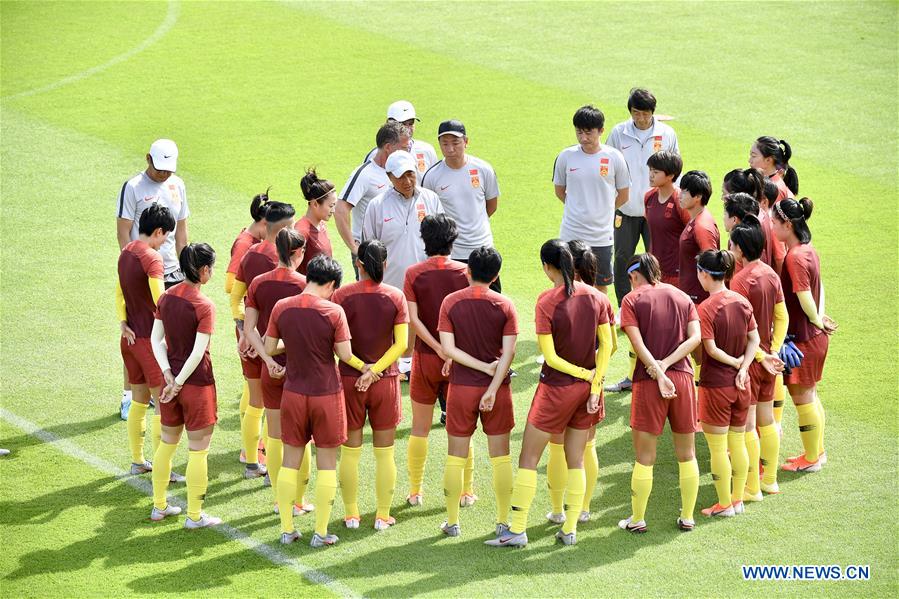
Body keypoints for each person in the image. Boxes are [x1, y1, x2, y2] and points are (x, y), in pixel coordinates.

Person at [487, 240, 612, 547]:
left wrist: (584, 375)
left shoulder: (546, 301)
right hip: (588, 391)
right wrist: (594, 383)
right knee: (576, 460)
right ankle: (570, 528)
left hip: (556, 389)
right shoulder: (597, 297)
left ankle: (517, 529)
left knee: (529, 457)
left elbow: (552, 358)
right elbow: (608, 345)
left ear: (547, 267)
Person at [264, 255, 367, 547]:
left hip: (293, 394)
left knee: (290, 462)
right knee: (327, 465)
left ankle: (287, 529)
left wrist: (292, 342)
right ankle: (320, 532)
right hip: (326, 395)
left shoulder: (282, 307)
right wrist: (366, 368)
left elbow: (270, 347)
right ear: (332, 284)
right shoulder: (334, 312)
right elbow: (345, 354)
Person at [615, 253, 701, 533]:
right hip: (683, 379)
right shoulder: (682, 297)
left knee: (644, 456)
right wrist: (667, 364)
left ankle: (638, 519)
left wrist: (658, 371)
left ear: (633, 276)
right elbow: (695, 338)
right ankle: (687, 517)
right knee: (687, 454)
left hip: (648, 381)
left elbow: (637, 343)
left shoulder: (631, 300)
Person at [437, 247, 518, 538]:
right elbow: (509, 354)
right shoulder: (505, 305)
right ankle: (503, 521)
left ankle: (452, 522)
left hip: (461, 389)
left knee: (455, 456)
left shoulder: (450, 302)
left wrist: (481, 368)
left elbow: (448, 349)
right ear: (496, 276)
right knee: (501, 457)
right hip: (498, 391)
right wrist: (492, 384)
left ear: (468, 271)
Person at [331, 240, 409, 531]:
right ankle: (382, 515)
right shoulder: (396, 297)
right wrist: (375, 371)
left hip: (349, 381)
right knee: (385, 453)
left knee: (350, 452)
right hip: (385, 382)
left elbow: (337, 346)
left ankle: (351, 515)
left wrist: (362, 369)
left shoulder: (341, 296)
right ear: (385, 264)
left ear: (358, 264)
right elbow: (401, 344)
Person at [116, 139, 190, 419]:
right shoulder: (133, 187)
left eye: (168, 170)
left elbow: (181, 232)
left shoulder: (178, 185)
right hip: (142, 272)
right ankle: (129, 395)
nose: (164, 174)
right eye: (160, 169)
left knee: (167, 333)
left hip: (170, 270)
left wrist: (186, 271)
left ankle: (167, 384)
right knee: (138, 332)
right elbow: (123, 232)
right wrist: (132, 265)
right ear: (148, 158)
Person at [149, 243, 221, 529]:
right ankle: (194, 515)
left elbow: (156, 340)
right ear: (203, 270)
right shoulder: (204, 305)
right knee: (198, 450)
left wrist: (168, 374)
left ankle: (159, 506)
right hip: (197, 385)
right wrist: (178, 382)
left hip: (169, 383)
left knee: (167, 444)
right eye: (211, 268)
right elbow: (197, 352)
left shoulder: (166, 297)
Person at [243, 228, 314, 516]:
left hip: (268, 370)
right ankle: (299, 499)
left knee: (274, 437)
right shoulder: (305, 285)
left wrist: (267, 358)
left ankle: (278, 499)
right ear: (297, 253)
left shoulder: (258, 283)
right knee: (301, 437)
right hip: (299, 371)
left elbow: (249, 329)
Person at [402, 215, 471, 506]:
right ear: (453, 240)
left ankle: (415, 490)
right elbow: (468, 318)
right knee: (461, 429)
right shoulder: (466, 272)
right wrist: (450, 352)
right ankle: (466, 490)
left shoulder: (413, 273)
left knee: (420, 427)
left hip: (425, 358)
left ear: (424, 239)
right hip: (459, 361)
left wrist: (437, 348)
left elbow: (413, 319)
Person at [545, 240, 615, 525]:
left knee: (557, 447)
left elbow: (550, 351)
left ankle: (558, 510)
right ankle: (583, 508)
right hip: (592, 384)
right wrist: (596, 377)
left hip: (559, 384)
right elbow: (610, 346)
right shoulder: (601, 299)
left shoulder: (554, 298)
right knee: (588, 447)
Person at [606, 150, 687, 394]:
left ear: (670, 175)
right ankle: (633, 376)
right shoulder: (649, 197)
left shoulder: (680, 200)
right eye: (650, 170)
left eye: (656, 171)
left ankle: (680, 378)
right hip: (654, 274)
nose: (650, 175)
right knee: (641, 325)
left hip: (676, 275)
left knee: (675, 331)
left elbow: (689, 235)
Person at [230, 201, 296, 478]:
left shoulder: (249, 254)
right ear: (283, 230)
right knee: (274, 406)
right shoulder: (283, 264)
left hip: (249, 335)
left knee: (255, 401)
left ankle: (250, 462)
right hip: (274, 343)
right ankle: (271, 464)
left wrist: (244, 332)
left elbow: (236, 297)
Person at [771, 198, 836, 473]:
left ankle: (812, 458)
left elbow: (804, 294)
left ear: (788, 225)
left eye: (774, 222)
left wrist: (816, 319)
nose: (771, 227)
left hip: (804, 339)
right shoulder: (808, 250)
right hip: (814, 337)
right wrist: (820, 318)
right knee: (811, 395)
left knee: (803, 399)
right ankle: (817, 452)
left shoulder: (794, 257)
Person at [695, 250, 760, 518]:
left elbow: (710, 349)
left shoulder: (705, 308)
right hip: (742, 385)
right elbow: (755, 339)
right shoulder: (741, 301)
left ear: (705, 275)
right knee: (738, 443)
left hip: (716, 386)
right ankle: (737, 499)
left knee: (719, 449)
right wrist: (743, 368)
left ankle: (724, 504)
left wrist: (734, 364)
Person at [728, 218, 788, 496]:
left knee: (749, 425)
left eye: (732, 244)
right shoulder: (771, 274)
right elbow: (782, 316)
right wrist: (774, 351)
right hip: (768, 361)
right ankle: (770, 480)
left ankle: (752, 488)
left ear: (740, 249)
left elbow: (741, 330)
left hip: (751, 360)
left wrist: (762, 356)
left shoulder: (740, 281)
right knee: (768, 420)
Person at [117, 204, 176, 477]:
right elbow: (160, 302)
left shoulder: (126, 252)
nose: (165, 242)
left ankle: (138, 461)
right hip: (149, 343)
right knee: (163, 404)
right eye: (166, 236)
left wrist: (122, 322)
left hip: (129, 340)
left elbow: (119, 293)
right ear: (159, 231)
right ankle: (163, 468)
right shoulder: (152, 258)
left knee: (139, 401)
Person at [606, 88, 680, 303]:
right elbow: (609, 165)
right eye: (636, 113)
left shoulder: (667, 134)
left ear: (653, 112)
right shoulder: (619, 133)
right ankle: (624, 305)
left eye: (645, 114)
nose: (640, 118)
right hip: (626, 209)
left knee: (656, 261)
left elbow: (676, 170)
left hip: (656, 210)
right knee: (622, 259)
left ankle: (656, 303)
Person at [553, 105, 630, 294]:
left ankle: (600, 315)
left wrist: (604, 210)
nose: (583, 138)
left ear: (601, 131)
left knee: (600, 285)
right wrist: (577, 207)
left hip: (601, 236)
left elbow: (623, 194)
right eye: (579, 132)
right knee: (568, 282)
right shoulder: (566, 157)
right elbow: (560, 190)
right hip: (571, 233)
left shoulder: (614, 158)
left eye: (588, 133)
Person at [421, 119, 502, 291]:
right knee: (454, 302)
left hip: (483, 247)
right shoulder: (432, 176)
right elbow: (429, 215)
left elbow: (492, 205)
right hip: (452, 252)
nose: (450, 149)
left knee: (490, 300)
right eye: (445, 144)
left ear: (466, 141)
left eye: (455, 143)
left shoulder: (483, 169)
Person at [225, 190, 269, 445]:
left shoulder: (251, 240)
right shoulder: (245, 244)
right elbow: (230, 285)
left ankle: (251, 444)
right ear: (264, 223)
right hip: (248, 324)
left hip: (252, 323)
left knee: (251, 386)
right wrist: (244, 327)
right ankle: (251, 447)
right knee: (255, 389)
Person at [336, 122, 411, 266]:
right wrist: (355, 248)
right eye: (403, 148)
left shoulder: (403, 172)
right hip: (371, 254)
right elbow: (340, 210)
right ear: (388, 147)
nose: (407, 153)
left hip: (396, 250)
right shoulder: (365, 174)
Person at [723, 167, 785, 274]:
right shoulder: (760, 215)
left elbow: (779, 257)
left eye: (725, 194)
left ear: (737, 195)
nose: (722, 198)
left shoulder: (751, 225)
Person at [364, 100, 438, 177]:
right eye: (402, 124)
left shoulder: (427, 150)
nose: (408, 128)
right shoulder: (376, 156)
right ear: (389, 124)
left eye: (411, 123)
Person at [677, 170, 719, 304]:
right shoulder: (696, 218)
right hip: (691, 294)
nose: (679, 195)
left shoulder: (702, 226)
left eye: (685, 192)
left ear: (698, 197)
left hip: (699, 298)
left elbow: (712, 265)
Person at [294, 169, 336, 275]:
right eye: (331, 206)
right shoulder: (301, 231)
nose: (333, 210)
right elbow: (292, 268)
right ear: (315, 204)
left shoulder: (321, 224)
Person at [749, 137, 798, 201]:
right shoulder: (758, 180)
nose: (749, 160)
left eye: (753, 156)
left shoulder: (776, 190)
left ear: (768, 160)